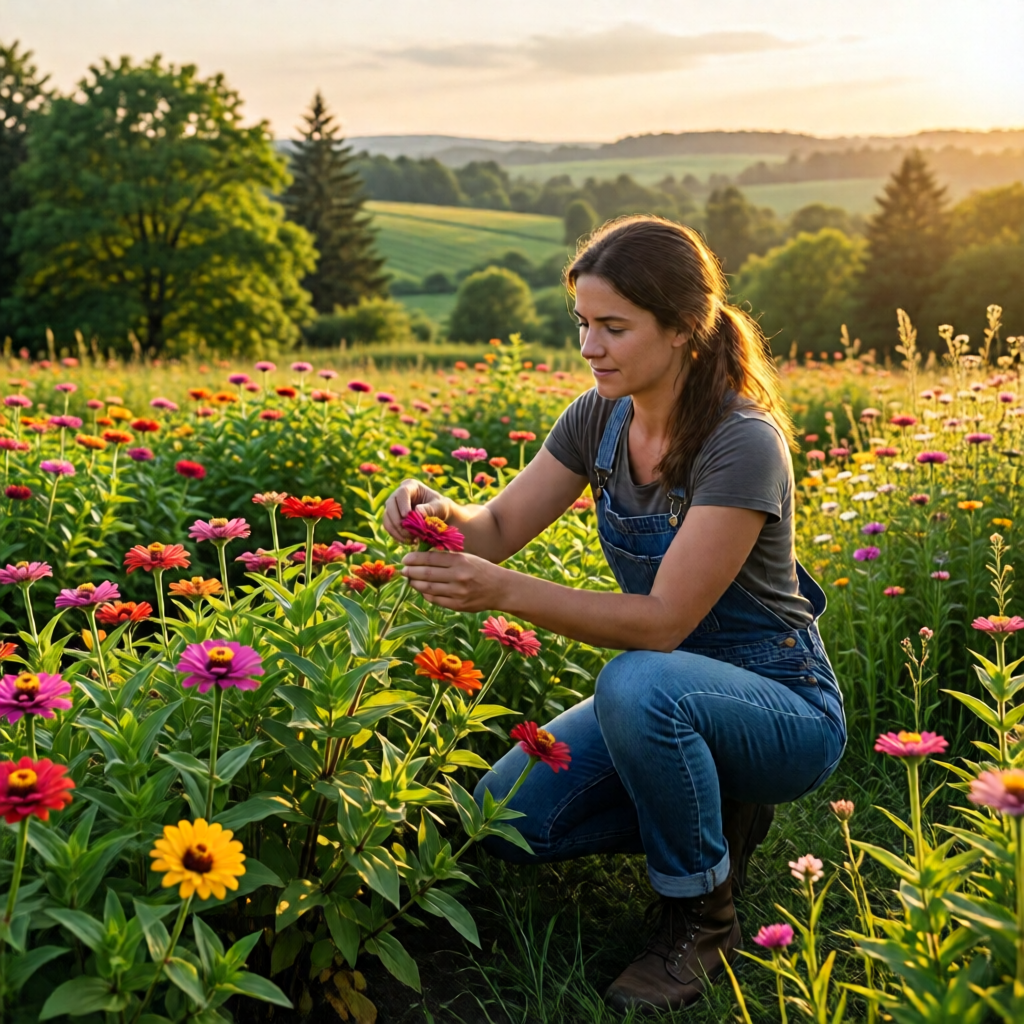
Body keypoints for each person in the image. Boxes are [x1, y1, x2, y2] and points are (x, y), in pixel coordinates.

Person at [382, 216, 846, 1014]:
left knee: (637, 683)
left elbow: (664, 622)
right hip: (666, 694)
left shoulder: (742, 440)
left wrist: (500, 590)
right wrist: (434, 510)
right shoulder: (600, 417)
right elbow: (493, 529)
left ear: (681, 328)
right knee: (507, 824)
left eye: (614, 327)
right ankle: (708, 805)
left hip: (780, 701)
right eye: (583, 324)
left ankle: (701, 918)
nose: (590, 347)